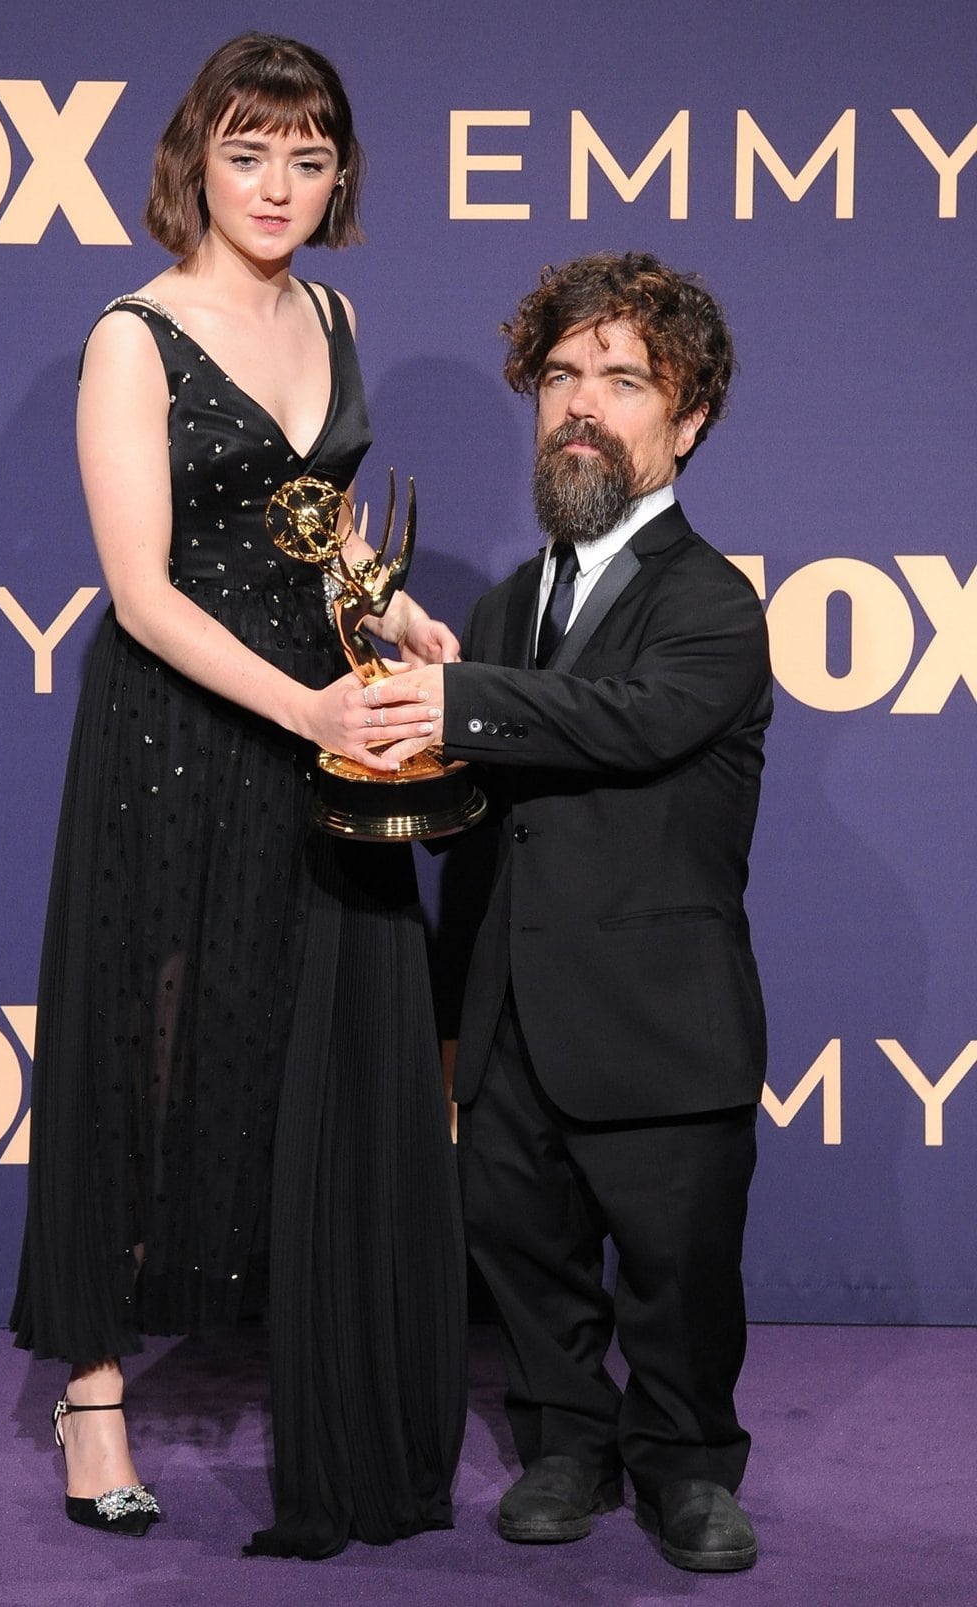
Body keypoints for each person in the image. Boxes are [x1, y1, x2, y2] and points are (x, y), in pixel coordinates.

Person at [10, 33, 466, 1558]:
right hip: (176, 734)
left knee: (300, 1038)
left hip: (316, 721)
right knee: (135, 1050)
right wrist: (306, 704)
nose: (278, 183)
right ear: (194, 160)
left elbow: (316, 525)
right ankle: (92, 1397)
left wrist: (387, 614)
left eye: (309, 154)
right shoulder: (135, 335)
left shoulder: (330, 310)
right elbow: (141, 594)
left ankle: (314, 1349)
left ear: (338, 174)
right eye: (250, 151)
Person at [395, 252, 772, 1572]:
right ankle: (565, 1439)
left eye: (624, 380)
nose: (581, 405)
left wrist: (457, 705)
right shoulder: (504, 608)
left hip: (662, 1025)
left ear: (689, 420)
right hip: (513, 1024)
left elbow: (633, 724)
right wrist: (454, 1023)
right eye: (561, 376)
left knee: (677, 1273)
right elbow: (482, 835)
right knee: (526, 1254)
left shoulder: (712, 603)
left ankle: (686, 1465)